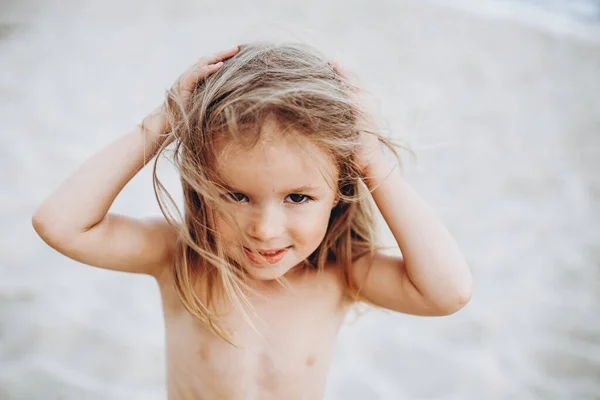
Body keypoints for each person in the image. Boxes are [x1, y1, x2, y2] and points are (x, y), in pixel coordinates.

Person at [31, 42, 472, 400]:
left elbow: (448, 292)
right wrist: (162, 123)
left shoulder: (340, 271)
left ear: (339, 190)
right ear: (202, 185)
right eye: (236, 195)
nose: (264, 228)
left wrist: (372, 163)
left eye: (297, 197)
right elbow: (60, 223)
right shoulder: (180, 256)